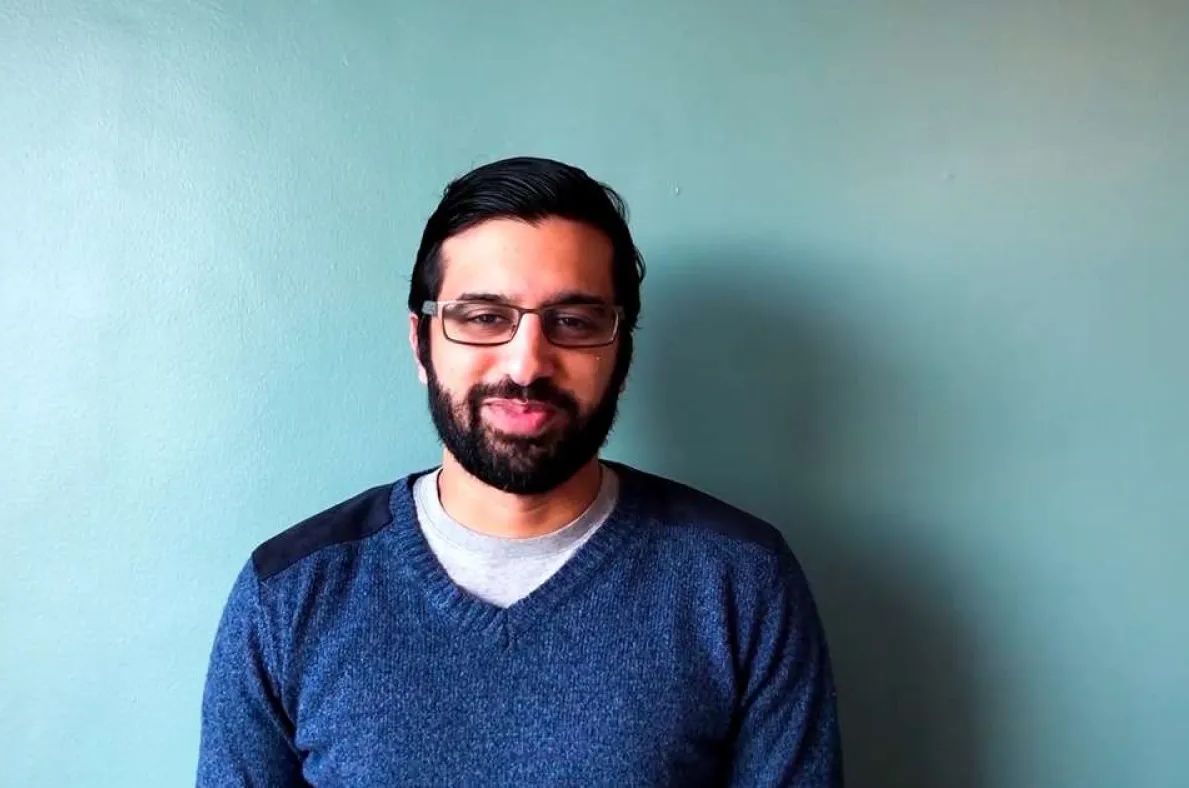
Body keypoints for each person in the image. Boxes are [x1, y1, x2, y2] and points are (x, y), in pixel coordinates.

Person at [196, 156, 842, 786]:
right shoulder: (288, 594)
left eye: (574, 322)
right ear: (421, 343)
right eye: (483, 318)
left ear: (622, 352)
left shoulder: (741, 582)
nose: (527, 364)